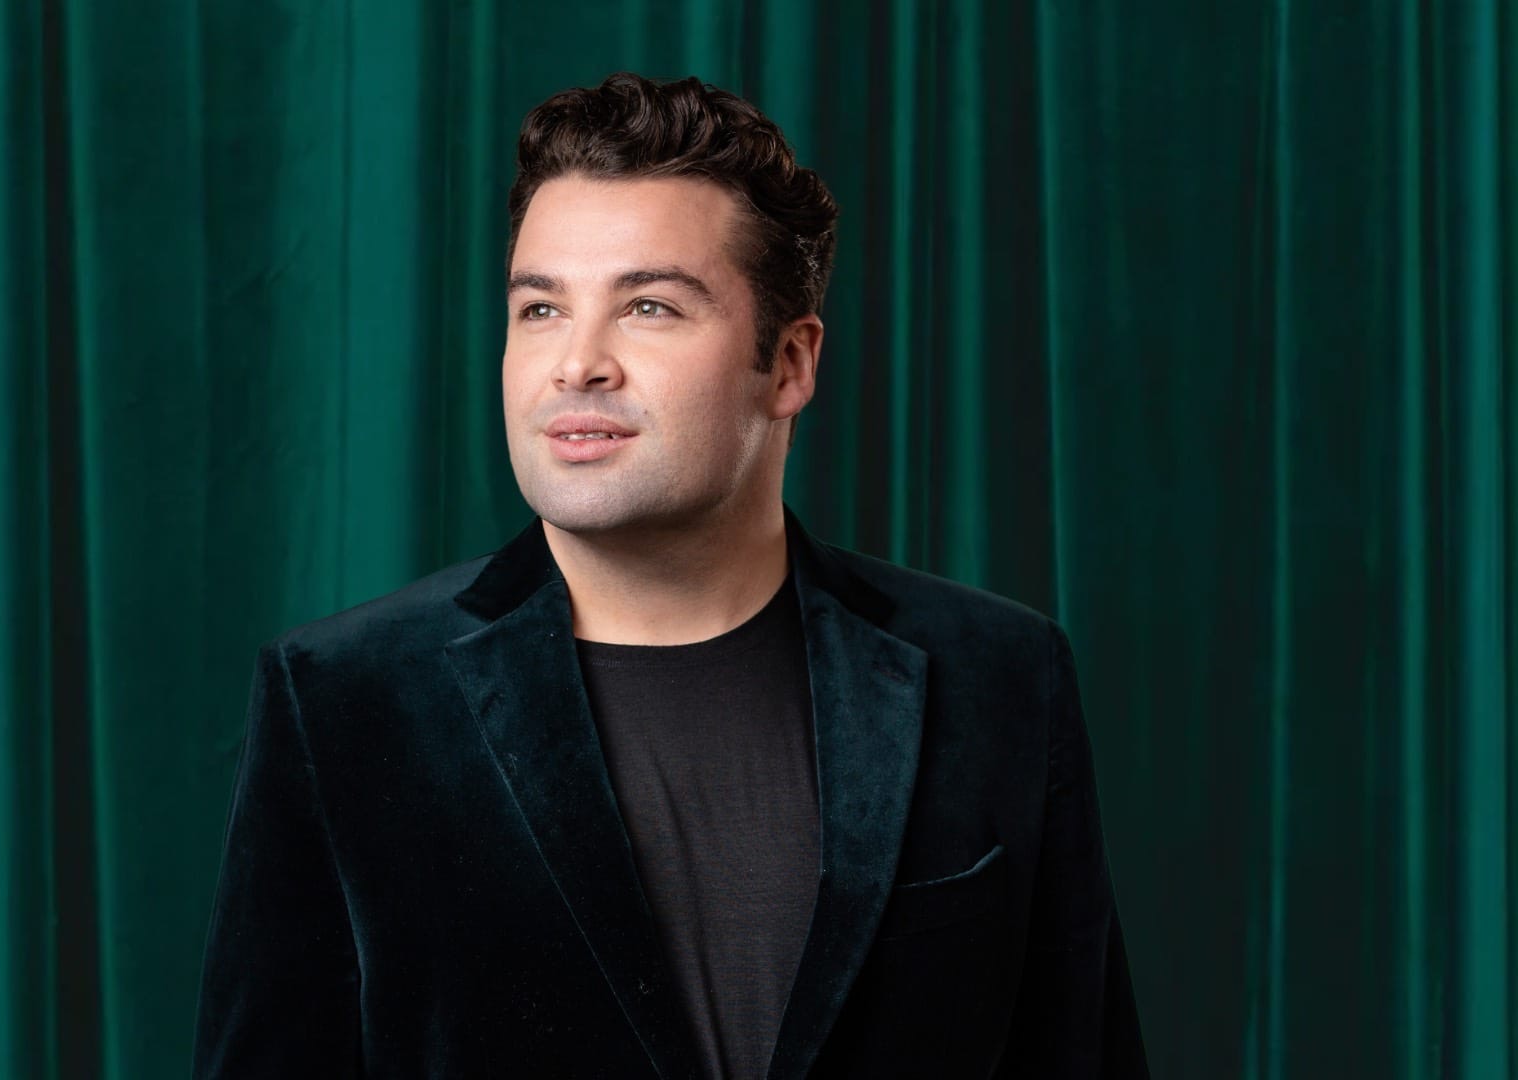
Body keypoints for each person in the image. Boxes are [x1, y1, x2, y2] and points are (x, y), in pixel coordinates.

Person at [192, 71, 1147, 1079]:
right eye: (540, 309)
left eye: (647, 306)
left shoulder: (1001, 675)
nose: (577, 364)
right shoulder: (342, 701)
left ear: (790, 364)